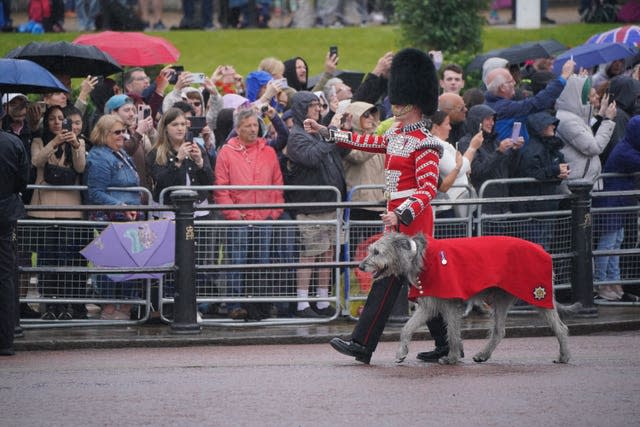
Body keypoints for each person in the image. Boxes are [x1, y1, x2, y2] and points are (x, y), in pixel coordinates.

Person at [306, 48, 443, 364]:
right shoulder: (396, 134)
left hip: (413, 222)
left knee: (395, 280)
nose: (394, 106)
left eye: (399, 101)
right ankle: (447, 343)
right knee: (425, 282)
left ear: (414, 105)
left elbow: (426, 191)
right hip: (396, 221)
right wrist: (328, 132)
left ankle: (363, 344)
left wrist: (401, 213)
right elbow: (365, 143)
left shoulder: (426, 144)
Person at [214, 108, 285, 320]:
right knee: (236, 261)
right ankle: (235, 304)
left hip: (264, 218)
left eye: (255, 125)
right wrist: (234, 215)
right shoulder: (226, 152)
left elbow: (277, 185)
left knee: (260, 263)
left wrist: (273, 213)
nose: (253, 129)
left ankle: (258, 305)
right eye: (248, 126)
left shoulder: (268, 151)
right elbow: (221, 188)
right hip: (239, 219)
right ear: (238, 129)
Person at [285, 91, 346, 318]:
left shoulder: (318, 132)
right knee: (310, 254)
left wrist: (336, 132)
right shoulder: (297, 136)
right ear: (301, 109)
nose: (317, 109)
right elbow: (311, 158)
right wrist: (330, 134)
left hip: (329, 204)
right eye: (312, 106)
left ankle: (322, 300)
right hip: (310, 206)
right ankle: (302, 303)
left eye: (318, 106)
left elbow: (343, 151)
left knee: (328, 253)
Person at [30, 105, 86, 321]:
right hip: (44, 208)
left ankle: (64, 302)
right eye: (52, 119)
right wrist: (55, 142)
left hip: (69, 208)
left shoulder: (77, 142)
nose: (56, 122)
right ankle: (48, 303)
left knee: (66, 257)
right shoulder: (39, 141)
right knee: (46, 258)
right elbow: (37, 162)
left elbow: (80, 167)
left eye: (61, 119)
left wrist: (74, 144)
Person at [85, 115, 143, 320]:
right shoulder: (99, 156)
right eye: (117, 132)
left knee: (132, 261)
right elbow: (96, 192)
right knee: (110, 263)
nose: (123, 136)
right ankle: (109, 307)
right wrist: (120, 206)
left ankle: (126, 306)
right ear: (104, 133)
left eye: (123, 131)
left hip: (131, 219)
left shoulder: (122, 153)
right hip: (111, 219)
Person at [593, 116, 640, 302]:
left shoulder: (629, 146)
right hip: (610, 201)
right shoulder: (625, 152)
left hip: (619, 201)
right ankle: (601, 283)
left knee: (617, 241)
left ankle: (614, 282)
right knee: (608, 243)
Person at [510, 111, 570, 252]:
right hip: (534, 208)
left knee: (544, 243)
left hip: (546, 205)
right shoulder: (533, 150)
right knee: (536, 246)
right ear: (540, 127)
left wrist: (560, 172)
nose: (553, 127)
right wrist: (555, 171)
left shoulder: (551, 146)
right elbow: (531, 173)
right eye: (549, 124)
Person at [484, 59, 575, 144]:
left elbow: (515, 123)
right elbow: (538, 102)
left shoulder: (497, 104)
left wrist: (514, 143)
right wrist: (563, 77)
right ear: (502, 88)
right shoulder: (504, 108)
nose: (515, 83)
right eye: (510, 81)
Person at [555, 75, 616, 195]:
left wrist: (601, 113)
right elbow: (593, 147)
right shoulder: (567, 120)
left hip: (583, 183)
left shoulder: (574, 116)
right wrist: (608, 120)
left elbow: (585, 132)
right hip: (575, 186)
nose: (597, 97)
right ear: (579, 97)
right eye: (591, 95)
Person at [0, 111, 30, 357]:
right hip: (5, 213)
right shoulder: (13, 142)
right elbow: (23, 181)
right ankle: (5, 338)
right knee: (5, 276)